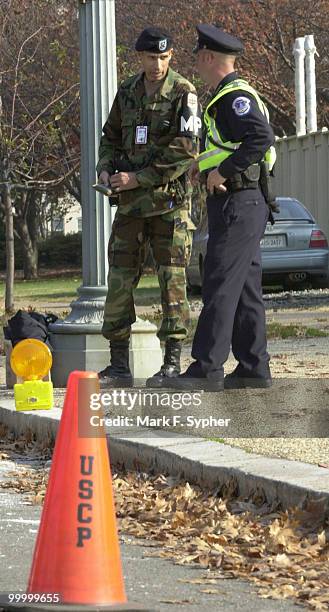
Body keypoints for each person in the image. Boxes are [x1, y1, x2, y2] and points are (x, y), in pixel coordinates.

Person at [168, 24, 276, 392]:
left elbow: (260, 138)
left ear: (209, 57)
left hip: (238, 202)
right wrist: (208, 166)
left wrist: (223, 172)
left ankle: (207, 367)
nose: (196, 64)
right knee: (245, 288)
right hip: (245, 202)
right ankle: (252, 367)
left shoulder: (232, 97)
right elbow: (237, 143)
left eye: (199, 58)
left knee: (220, 283)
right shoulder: (230, 95)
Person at [96, 27, 201, 388]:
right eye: (150, 58)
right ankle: (119, 367)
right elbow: (109, 137)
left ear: (171, 57)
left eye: (163, 57)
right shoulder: (126, 91)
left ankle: (171, 364)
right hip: (129, 207)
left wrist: (136, 178)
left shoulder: (183, 92)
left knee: (172, 283)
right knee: (119, 281)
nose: (157, 65)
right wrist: (106, 169)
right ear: (138, 57)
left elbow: (187, 150)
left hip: (168, 206)